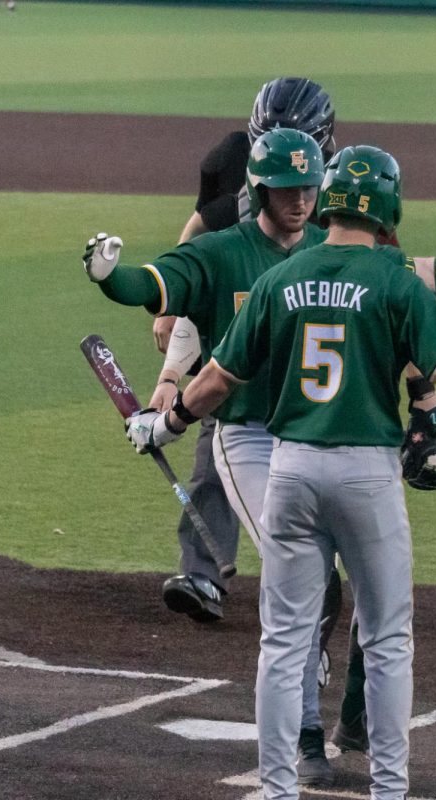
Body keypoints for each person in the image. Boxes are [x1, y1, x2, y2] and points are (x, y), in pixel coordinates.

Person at [118, 144, 436, 800]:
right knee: (386, 639)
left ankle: (278, 787)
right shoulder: (394, 281)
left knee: (284, 637)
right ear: (388, 207)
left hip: (292, 468)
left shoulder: (281, 278)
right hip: (365, 476)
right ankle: (387, 789)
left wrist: (165, 421)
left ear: (326, 201)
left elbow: (217, 378)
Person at [154, 77, 337, 624]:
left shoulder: (349, 189)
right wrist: (173, 298)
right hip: (244, 347)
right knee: (218, 444)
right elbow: (202, 231)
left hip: (319, 364)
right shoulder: (235, 163)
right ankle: (204, 573)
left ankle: (331, 574)